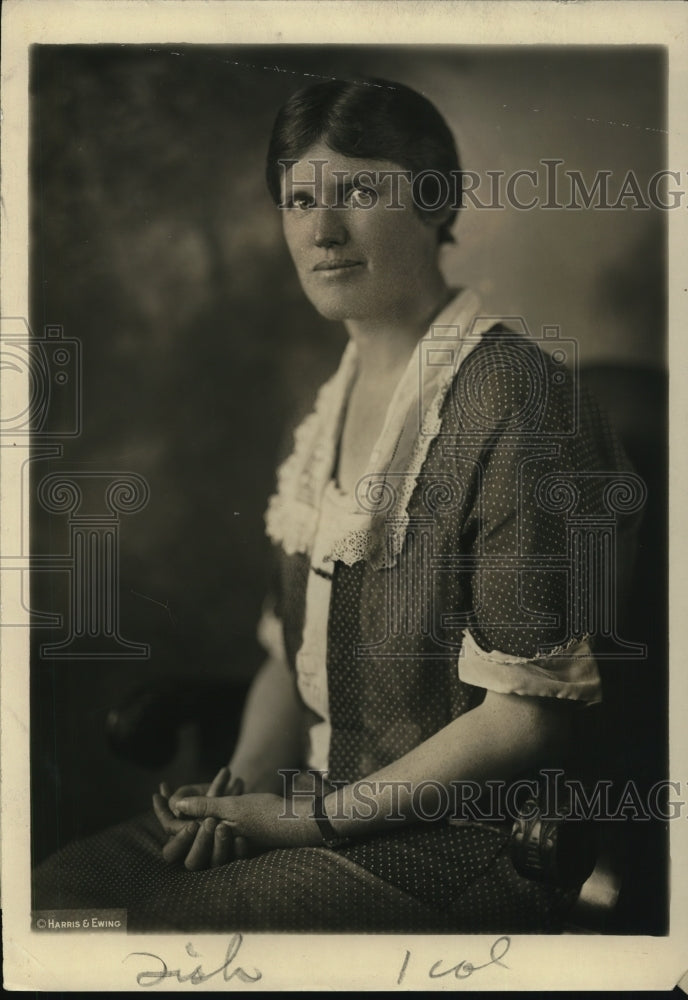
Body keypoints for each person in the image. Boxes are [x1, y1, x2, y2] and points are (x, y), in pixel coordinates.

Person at [33, 77, 637, 933]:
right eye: (299, 198)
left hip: (460, 845)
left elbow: (526, 724)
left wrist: (307, 820)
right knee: (56, 903)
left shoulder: (519, 402)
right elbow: (291, 653)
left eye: (358, 190)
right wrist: (237, 789)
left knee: (150, 944)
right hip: (299, 809)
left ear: (435, 202)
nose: (321, 230)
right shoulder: (325, 408)